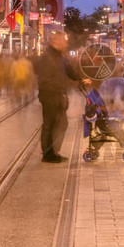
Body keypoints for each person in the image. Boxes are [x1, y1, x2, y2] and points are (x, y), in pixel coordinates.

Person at [36, 32, 90, 163]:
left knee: (59, 123)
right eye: (63, 41)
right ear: (56, 42)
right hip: (51, 95)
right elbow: (45, 79)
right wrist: (58, 90)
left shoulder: (59, 56)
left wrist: (80, 79)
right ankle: (49, 154)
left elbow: (68, 69)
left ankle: (52, 152)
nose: (66, 44)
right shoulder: (47, 57)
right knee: (51, 124)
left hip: (57, 94)